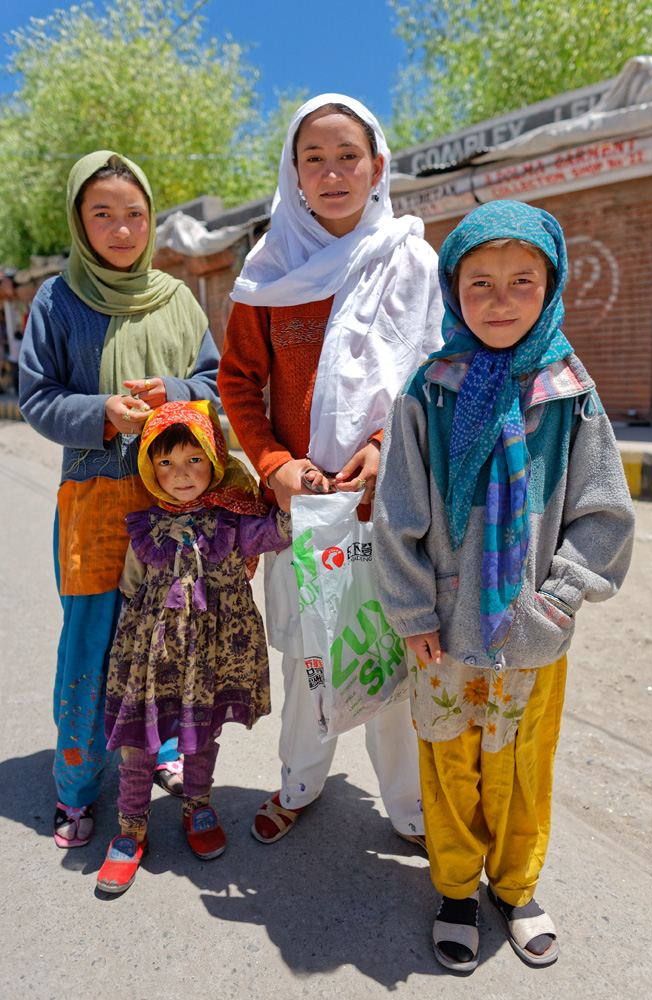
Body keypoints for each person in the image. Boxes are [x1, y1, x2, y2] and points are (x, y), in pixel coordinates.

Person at [372, 199, 635, 971]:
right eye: (479, 282)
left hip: (532, 631)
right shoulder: (431, 389)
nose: (499, 298)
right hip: (441, 630)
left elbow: (603, 513)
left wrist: (556, 598)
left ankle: (515, 887)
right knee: (449, 763)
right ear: (453, 291)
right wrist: (413, 609)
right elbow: (398, 514)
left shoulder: (568, 389)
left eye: (522, 280)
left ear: (550, 285)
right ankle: (455, 887)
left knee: (522, 766)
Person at [218, 94, 445, 848]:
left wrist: (383, 447)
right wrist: (276, 465)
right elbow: (238, 382)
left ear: (377, 166)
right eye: (311, 158)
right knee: (310, 658)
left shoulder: (413, 261)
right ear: (293, 174)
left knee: (392, 658)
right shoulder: (269, 267)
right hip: (301, 510)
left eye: (347, 155)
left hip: (392, 501)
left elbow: (431, 375)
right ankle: (300, 784)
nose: (331, 172)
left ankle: (407, 807)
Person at [19, 150, 221, 849]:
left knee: (165, 636)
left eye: (134, 214)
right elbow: (36, 398)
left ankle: (159, 753)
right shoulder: (57, 299)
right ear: (79, 220)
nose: (121, 228)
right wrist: (102, 411)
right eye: (102, 213)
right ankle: (76, 785)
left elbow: (215, 384)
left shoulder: (177, 299)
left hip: (171, 500)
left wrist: (183, 393)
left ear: (152, 220)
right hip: (94, 500)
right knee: (91, 640)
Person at [95, 400, 291, 893]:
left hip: (210, 662)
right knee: (139, 746)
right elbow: (130, 588)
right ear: (149, 467)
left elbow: (278, 532)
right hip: (152, 660)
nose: (180, 474)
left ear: (214, 458)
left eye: (193, 459)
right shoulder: (144, 527)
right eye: (165, 462)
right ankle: (130, 829)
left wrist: (304, 498)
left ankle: (198, 805)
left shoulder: (233, 521)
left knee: (201, 736)